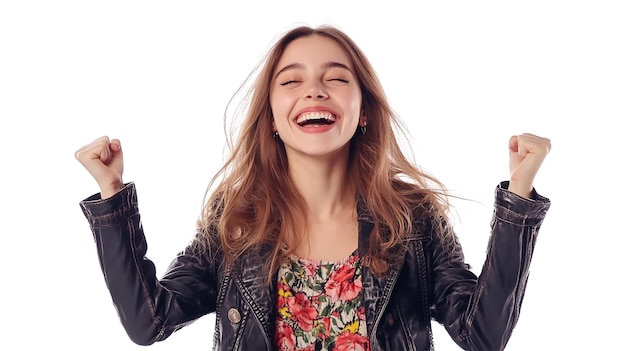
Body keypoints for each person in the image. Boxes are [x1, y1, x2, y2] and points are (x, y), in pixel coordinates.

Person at [76, 25, 551, 351]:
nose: (315, 90)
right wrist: (112, 195)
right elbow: (149, 321)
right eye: (292, 80)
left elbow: (482, 334)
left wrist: (519, 198)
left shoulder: (412, 215)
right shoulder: (236, 217)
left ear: (362, 110)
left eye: (336, 78)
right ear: (275, 117)